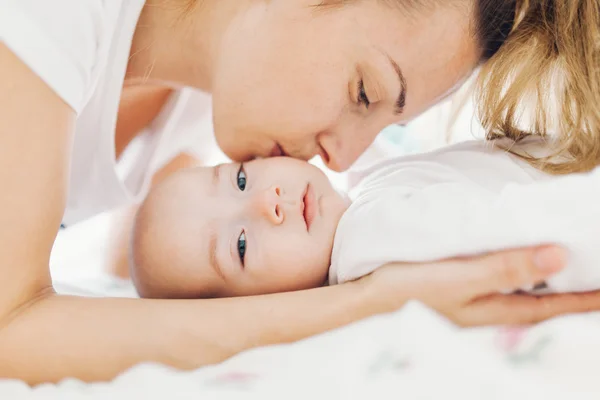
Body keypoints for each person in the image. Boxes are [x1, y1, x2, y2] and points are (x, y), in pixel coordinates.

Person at [0, 0, 599, 384]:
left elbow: (153, 261)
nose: (346, 157)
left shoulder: (194, 109)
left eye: (387, 125)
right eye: (364, 93)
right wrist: (369, 303)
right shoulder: (54, 13)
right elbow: (11, 329)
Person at [128, 138, 600, 299]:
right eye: (242, 246)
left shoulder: (361, 196)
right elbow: (528, 231)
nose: (266, 203)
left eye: (240, 181)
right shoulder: (366, 244)